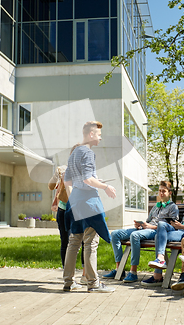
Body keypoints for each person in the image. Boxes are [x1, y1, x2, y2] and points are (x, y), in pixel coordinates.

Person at [62, 121, 117, 293]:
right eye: (99, 135)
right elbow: (87, 179)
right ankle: (93, 284)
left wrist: (92, 182)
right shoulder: (87, 152)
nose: (101, 138)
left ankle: (69, 282)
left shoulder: (74, 153)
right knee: (91, 243)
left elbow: (68, 181)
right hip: (88, 202)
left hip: (76, 201)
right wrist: (105, 186)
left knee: (74, 242)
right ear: (91, 134)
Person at [103, 181, 179, 283]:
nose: (161, 193)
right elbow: (148, 221)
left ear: (170, 193)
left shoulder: (173, 207)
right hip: (145, 229)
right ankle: (119, 269)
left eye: (163, 191)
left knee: (135, 235)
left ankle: (133, 272)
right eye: (160, 191)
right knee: (115, 234)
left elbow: (171, 226)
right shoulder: (156, 206)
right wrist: (140, 224)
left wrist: (150, 226)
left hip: (155, 232)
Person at [142, 182, 184, 286]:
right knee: (161, 225)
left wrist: (182, 227)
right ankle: (161, 258)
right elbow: (182, 222)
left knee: (158, 236)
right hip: (179, 230)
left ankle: (157, 275)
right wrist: (175, 225)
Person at [48, 166, 87, 285]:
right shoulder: (62, 170)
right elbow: (51, 186)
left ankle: (85, 275)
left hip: (79, 209)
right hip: (65, 210)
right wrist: (57, 175)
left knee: (85, 241)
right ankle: (69, 277)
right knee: (67, 242)